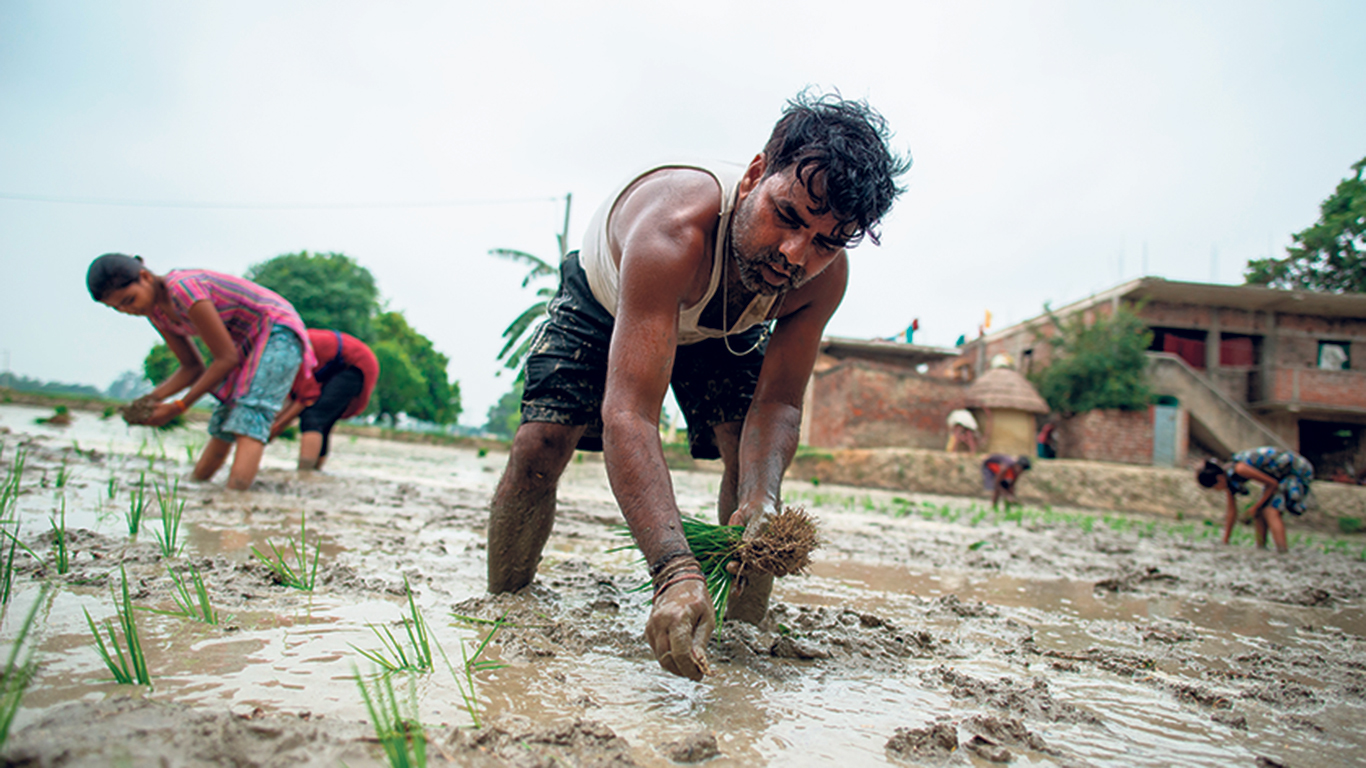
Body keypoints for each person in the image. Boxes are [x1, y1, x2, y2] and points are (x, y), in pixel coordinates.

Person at [487, 91, 908, 681]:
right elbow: (630, 413)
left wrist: (763, 502)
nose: (794, 254)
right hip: (613, 297)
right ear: (756, 176)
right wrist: (674, 570)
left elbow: (781, 403)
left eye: (825, 241)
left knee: (751, 470)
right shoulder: (672, 231)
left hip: (725, 325)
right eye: (786, 217)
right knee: (541, 444)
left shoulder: (819, 281)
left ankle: (739, 635)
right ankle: (502, 606)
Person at [87, 253, 318, 490]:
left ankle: (234, 501)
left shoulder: (184, 289)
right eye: (117, 308)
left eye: (129, 300)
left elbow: (225, 359)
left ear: (145, 277)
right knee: (225, 416)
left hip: (277, 328)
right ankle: (198, 486)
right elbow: (191, 367)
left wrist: (179, 406)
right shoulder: (155, 312)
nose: (127, 310)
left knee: (252, 413)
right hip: (243, 340)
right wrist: (150, 401)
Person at [269, 329, 379, 470]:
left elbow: (306, 398)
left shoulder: (291, 355)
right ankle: (316, 471)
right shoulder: (283, 354)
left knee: (314, 416)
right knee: (323, 423)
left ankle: (304, 473)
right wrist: (275, 423)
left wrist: (278, 426)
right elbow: (293, 399)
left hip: (354, 364)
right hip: (337, 364)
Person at [1196, 447, 1315, 553]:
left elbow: (1272, 484)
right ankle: (1261, 548)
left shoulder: (1240, 469)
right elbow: (1232, 512)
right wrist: (1225, 541)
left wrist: (1256, 506)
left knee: (1270, 510)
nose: (1216, 490)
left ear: (1219, 479)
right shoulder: (1229, 479)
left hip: (1295, 470)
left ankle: (1282, 551)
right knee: (1259, 513)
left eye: (1214, 487)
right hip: (1278, 476)